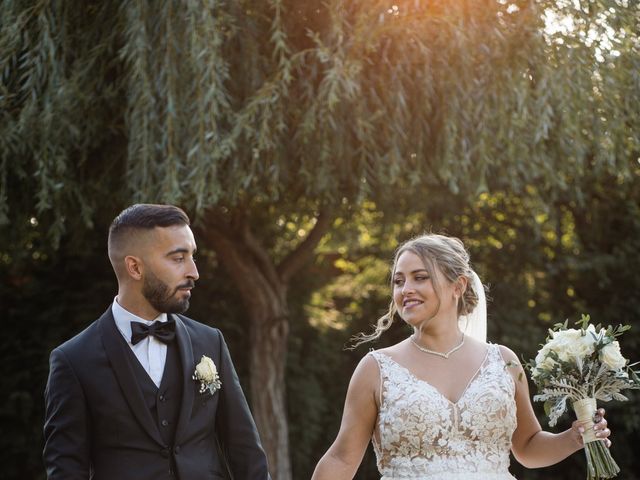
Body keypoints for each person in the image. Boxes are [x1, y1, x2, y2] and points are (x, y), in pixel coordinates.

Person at [312, 233, 612, 479]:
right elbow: (341, 458)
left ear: (458, 286)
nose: (406, 289)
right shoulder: (376, 368)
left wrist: (574, 437)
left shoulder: (502, 362)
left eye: (420, 277)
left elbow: (527, 446)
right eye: (398, 281)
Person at [43, 204, 270, 480]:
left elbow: (245, 452)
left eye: (192, 256)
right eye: (178, 258)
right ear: (135, 267)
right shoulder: (74, 360)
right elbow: (66, 470)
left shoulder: (211, 342)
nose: (194, 272)